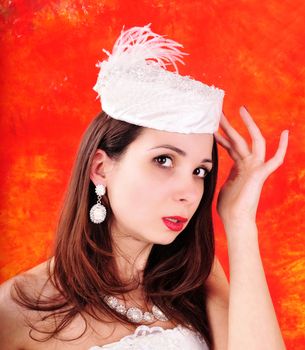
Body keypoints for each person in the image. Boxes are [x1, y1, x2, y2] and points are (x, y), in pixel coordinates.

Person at [0, 24, 288, 350]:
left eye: (199, 170)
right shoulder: (15, 311)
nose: (189, 192)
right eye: (163, 160)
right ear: (100, 168)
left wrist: (239, 222)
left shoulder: (197, 281)